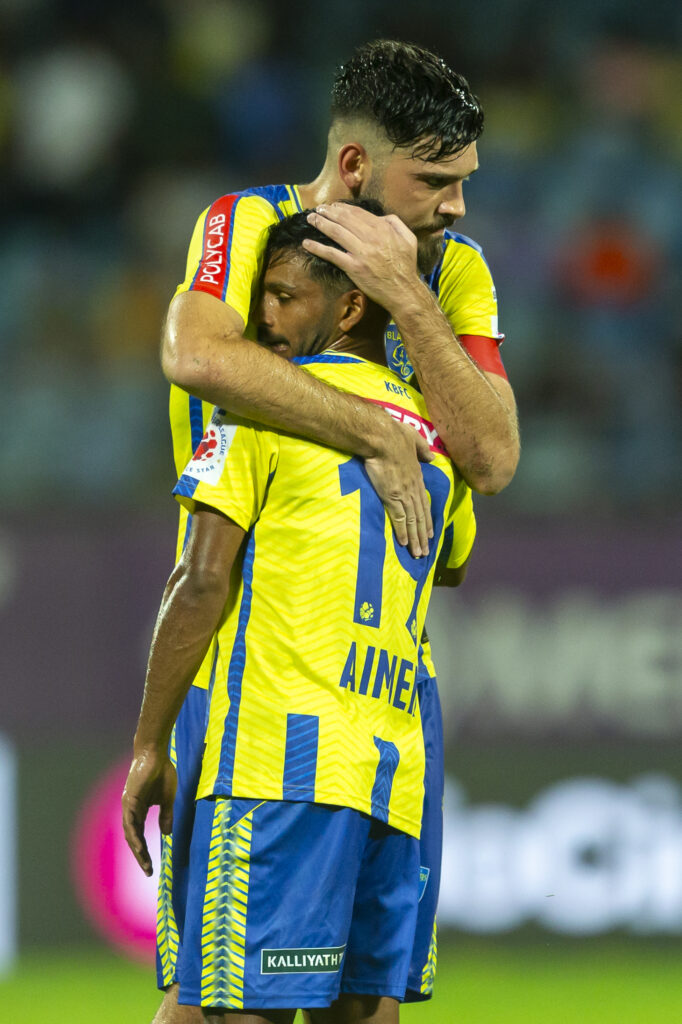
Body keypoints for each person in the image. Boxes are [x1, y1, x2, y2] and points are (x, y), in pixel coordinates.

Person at [132, 39, 519, 1023]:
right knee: (221, 996)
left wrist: (405, 295)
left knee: (369, 998)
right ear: (355, 169)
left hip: (392, 681)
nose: (456, 207)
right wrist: (375, 437)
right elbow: (195, 352)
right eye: (433, 179)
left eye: (465, 181)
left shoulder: (451, 272)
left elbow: (493, 456)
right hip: (260, 663)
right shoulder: (252, 227)